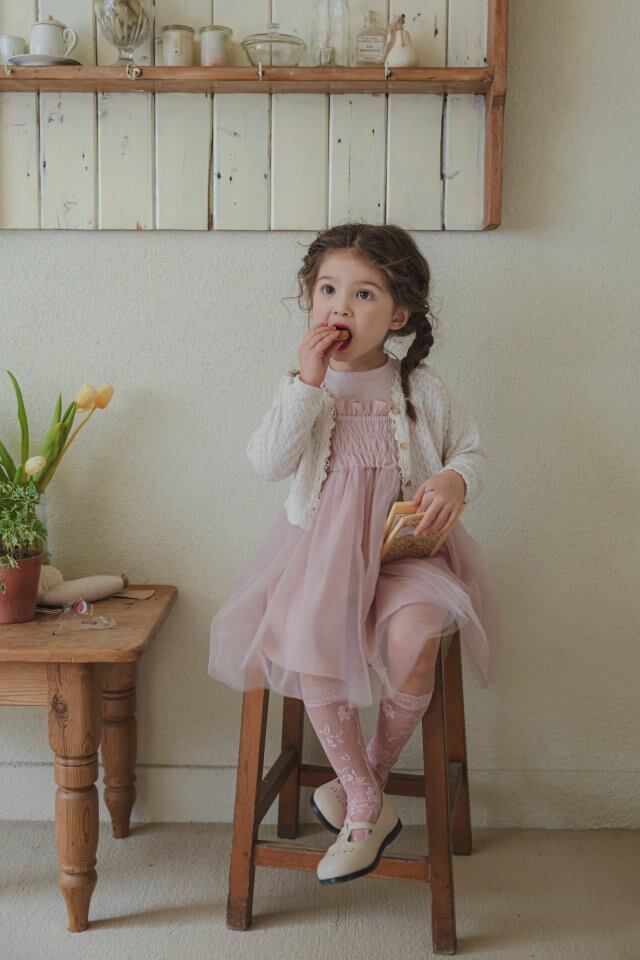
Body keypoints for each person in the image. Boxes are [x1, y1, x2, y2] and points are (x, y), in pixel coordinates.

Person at [208, 222, 500, 885]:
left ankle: (363, 776)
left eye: (364, 294)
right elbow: (267, 463)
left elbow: (471, 451)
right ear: (310, 299)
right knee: (309, 629)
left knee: (419, 636)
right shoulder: (303, 388)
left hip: (405, 559)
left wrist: (456, 479)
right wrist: (307, 384)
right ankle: (367, 806)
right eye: (328, 290)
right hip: (322, 558)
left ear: (398, 314)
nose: (341, 306)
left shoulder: (420, 389)